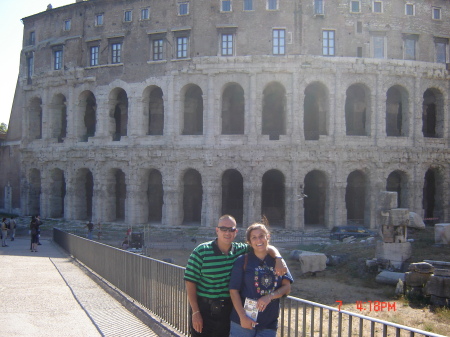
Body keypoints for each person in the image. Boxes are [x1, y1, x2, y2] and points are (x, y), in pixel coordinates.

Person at [184, 215, 287, 337]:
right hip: (204, 308)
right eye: (223, 229)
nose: (228, 233)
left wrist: (278, 257)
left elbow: (261, 245)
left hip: (227, 308)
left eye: (231, 229)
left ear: (236, 232)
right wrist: (195, 312)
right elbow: (190, 282)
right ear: (217, 230)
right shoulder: (201, 251)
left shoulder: (241, 249)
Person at [229, 222, 293, 337]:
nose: (258, 240)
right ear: (249, 241)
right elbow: (234, 291)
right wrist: (242, 317)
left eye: (261, 236)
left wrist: (270, 296)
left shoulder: (278, 261)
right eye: (254, 237)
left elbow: (287, 287)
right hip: (243, 322)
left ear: (267, 237)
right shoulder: (242, 261)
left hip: (268, 323)